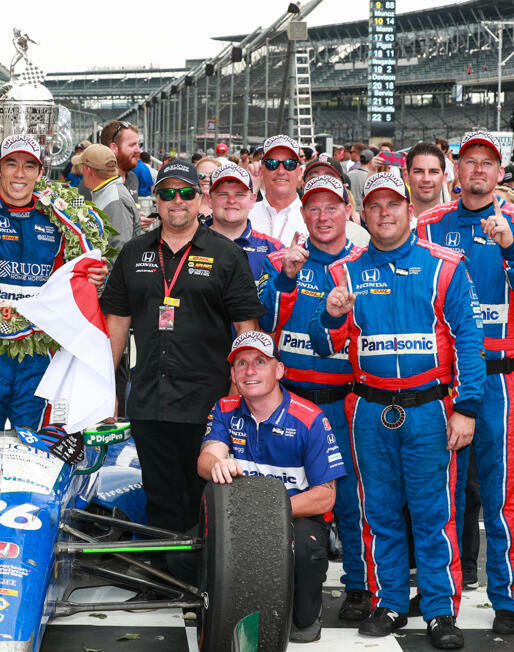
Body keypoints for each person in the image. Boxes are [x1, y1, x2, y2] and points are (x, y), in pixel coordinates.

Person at [310, 172, 485, 648]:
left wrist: (466, 407)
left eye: (393, 204)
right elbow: (325, 345)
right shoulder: (344, 271)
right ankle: (388, 601)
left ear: (409, 209)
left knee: (433, 513)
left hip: (430, 408)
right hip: (368, 409)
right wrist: (330, 314)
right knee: (379, 512)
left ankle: (439, 610)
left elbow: (470, 339)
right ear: (363, 215)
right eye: (375, 205)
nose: (384, 213)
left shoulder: (444, 265)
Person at [100, 158, 264, 580]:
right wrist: (105, 389)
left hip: (207, 400)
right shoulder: (135, 252)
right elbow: (116, 324)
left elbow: (247, 330)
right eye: (168, 193)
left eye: (186, 193)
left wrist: (237, 397)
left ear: (201, 199)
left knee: (204, 495)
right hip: (149, 397)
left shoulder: (226, 255)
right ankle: (162, 577)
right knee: (159, 492)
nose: (177, 201)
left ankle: (205, 578)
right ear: (155, 199)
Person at [0, 108, 107, 433]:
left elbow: (71, 278)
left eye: (28, 165)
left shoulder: (57, 221)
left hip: (38, 353)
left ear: (39, 172)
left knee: (33, 450)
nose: (19, 173)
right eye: (11, 163)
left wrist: (92, 276)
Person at [258, 174, 370, 621]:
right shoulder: (285, 262)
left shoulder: (365, 264)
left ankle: (359, 585)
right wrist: (285, 277)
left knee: (351, 498)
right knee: (283, 492)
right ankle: (274, 578)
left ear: (348, 212)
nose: (323, 216)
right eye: (314, 208)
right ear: (302, 215)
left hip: (344, 400)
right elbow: (261, 319)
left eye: (332, 207)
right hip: (292, 400)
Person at [415, 130, 514, 635]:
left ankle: (507, 598)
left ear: (499, 173)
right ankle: (439, 601)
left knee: (499, 498)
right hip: (443, 382)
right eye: (470, 161)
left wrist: (511, 250)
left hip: (499, 381)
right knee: (441, 498)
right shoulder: (430, 223)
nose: (478, 169)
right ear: (458, 170)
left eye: (488, 163)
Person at [199, 330, 345, 643]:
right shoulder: (225, 408)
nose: (250, 371)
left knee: (307, 550)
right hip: (238, 518)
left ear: (279, 370)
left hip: (297, 518)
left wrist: (266, 514)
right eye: (241, 363)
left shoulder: (311, 419)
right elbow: (205, 460)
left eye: (260, 362)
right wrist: (217, 464)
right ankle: (232, 605)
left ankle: (306, 613)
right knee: (187, 554)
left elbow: (325, 498)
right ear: (233, 374)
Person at [205, 163, 282, 280]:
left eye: (240, 194)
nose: (231, 201)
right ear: (209, 200)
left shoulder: (273, 249)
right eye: (223, 194)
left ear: (253, 200)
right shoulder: (188, 243)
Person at [249, 135, 307, 244]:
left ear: (299, 173)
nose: (281, 171)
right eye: (272, 164)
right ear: (261, 171)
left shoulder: (313, 218)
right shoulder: (245, 214)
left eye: (290, 164)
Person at [81, 144, 139, 249]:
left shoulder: (115, 200)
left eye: (82, 167)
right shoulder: (108, 192)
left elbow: (119, 250)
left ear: (88, 170)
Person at [100, 120, 141, 197]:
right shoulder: (94, 183)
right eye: (132, 145)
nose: (138, 150)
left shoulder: (133, 178)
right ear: (114, 148)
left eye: (138, 144)